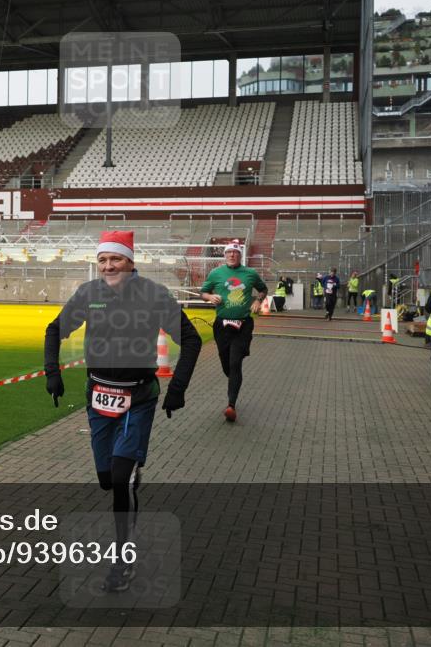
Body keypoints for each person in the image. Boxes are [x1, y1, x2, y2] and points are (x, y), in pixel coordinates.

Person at [44, 230, 201, 592]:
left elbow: (190, 339)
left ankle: (122, 560)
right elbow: (54, 330)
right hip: (98, 396)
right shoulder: (88, 294)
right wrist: (53, 374)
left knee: (118, 479)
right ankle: (127, 475)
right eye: (102, 260)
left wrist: (177, 388)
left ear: (131, 262)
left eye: (115, 259)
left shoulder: (153, 295)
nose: (108, 266)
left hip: (137, 399)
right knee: (106, 478)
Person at [199, 240, 268, 422]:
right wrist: (210, 296)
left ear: (240, 255)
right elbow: (203, 292)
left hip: (243, 325)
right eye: (229, 252)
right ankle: (234, 380)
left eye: (235, 253)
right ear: (225, 255)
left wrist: (257, 300)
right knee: (227, 365)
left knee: (235, 362)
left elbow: (263, 289)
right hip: (222, 325)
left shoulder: (250, 273)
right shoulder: (216, 273)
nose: (232, 255)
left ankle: (231, 405)